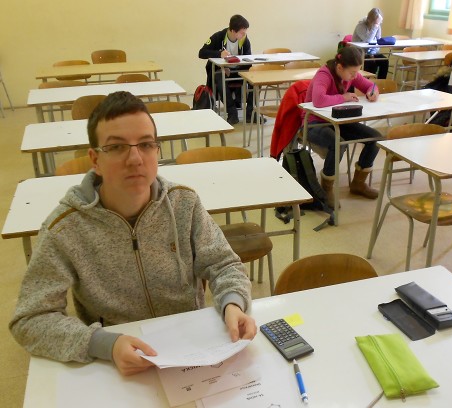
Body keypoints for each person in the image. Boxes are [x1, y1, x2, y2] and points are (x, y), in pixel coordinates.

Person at [9, 91, 257, 376]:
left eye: (146, 144)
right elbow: (30, 319)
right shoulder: (65, 228)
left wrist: (233, 303)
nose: (135, 158)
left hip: (189, 350)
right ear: (95, 159)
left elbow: (224, 264)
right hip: (115, 365)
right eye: (116, 147)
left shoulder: (183, 204)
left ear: (157, 151)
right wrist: (103, 344)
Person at [304, 46, 381, 206]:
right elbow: (319, 100)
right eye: (352, 73)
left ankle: (358, 183)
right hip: (314, 122)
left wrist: (373, 91)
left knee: (375, 138)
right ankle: (326, 188)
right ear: (340, 67)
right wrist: (344, 97)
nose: (355, 76)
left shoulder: (350, 74)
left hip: (338, 121)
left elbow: (371, 85)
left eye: (357, 72)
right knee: (338, 143)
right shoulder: (324, 74)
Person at [198, 14, 255, 125]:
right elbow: (202, 53)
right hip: (222, 72)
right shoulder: (218, 37)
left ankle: (250, 113)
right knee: (219, 77)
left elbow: (247, 59)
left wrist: (240, 68)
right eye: (242, 32)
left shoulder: (244, 40)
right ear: (233, 31)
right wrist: (219, 55)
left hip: (238, 71)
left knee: (254, 78)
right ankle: (232, 112)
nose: (244, 34)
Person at [352, 8, 389, 79]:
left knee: (384, 61)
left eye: (379, 22)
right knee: (370, 63)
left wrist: (373, 53)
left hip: (371, 52)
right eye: (376, 22)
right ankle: (366, 82)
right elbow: (368, 39)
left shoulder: (377, 25)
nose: (378, 24)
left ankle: (381, 82)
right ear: (370, 20)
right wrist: (375, 27)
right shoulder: (360, 26)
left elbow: (378, 40)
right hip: (359, 52)